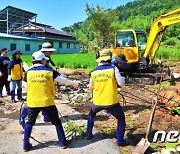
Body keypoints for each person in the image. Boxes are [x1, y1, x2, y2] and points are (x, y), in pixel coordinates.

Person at [23, 51, 79, 151]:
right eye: (45, 60)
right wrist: (73, 83)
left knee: (30, 123)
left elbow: (27, 84)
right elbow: (62, 80)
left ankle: (25, 146)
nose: (45, 61)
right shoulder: (49, 71)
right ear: (42, 60)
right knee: (57, 122)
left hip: (32, 102)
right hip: (47, 101)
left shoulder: (28, 72)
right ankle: (62, 143)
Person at [86, 49, 128, 146]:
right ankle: (120, 140)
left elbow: (90, 87)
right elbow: (121, 84)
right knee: (121, 119)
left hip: (97, 102)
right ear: (109, 58)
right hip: (111, 102)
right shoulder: (114, 69)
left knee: (91, 115)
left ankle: (88, 134)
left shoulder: (93, 72)